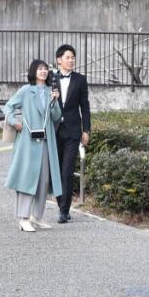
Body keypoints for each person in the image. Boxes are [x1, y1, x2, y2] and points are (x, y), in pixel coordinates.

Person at [3, 59, 63, 232]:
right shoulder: (26, 90)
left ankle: (37, 216)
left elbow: (56, 116)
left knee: (44, 179)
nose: (43, 71)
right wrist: (15, 122)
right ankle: (23, 217)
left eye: (45, 69)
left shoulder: (50, 90)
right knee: (27, 178)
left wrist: (55, 101)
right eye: (40, 69)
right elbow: (8, 107)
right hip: (28, 141)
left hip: (46, 140)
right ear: (34, 71)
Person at [53, 44, 91, 224]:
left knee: (67, 171)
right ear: (59, 59)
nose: (71, 60)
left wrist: (86, 130)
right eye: (68, 57)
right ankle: (61, 203)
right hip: (54, 131)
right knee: (56, 171)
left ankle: (64, 210)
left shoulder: (80, 80)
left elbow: (85, 106)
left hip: (73, 132)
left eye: (73, 57)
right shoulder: (50, 79)